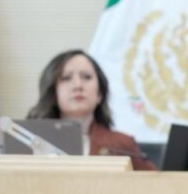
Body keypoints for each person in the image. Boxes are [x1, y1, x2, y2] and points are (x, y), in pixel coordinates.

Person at [27, 49, 156, 171]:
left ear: (99, 94)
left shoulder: (122, 146)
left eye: (87, 77)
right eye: (66, 78)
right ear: (53, 92)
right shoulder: (31, 141)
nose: (78, 85)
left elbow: (156, 184)